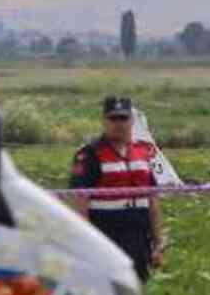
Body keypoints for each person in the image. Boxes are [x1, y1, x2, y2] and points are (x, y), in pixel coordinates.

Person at [70, 96, 165, 283]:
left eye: (123, 118)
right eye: (113, 118)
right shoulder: (89, 155)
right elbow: (80, 204)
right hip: (106, 236)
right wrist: (86, 244)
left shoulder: (141, 152)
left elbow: (152, 202)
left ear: (131, 121)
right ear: (103, 121)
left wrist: (158, 243)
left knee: (136, 291)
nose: (119, 124)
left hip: (138, 237)